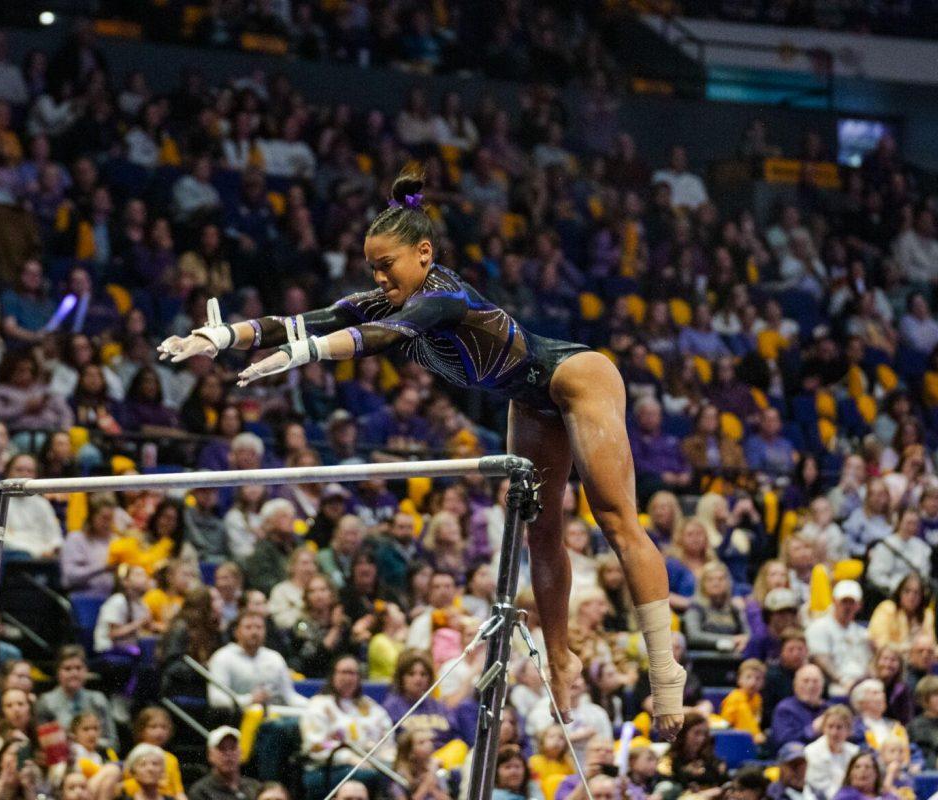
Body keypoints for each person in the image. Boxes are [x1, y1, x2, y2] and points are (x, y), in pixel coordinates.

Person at [158, 167, 688, 736]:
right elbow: (314, 318)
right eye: (373, 269)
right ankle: (561, 657)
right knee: (539, 528)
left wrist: (307, 354)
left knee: (612, 517)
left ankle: (665, 670)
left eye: (387, 266)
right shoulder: (395, 296)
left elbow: (386, 336)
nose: (379, 278)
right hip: (528, 401)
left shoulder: (443, 294)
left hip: (574, 375)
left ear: (424, 253)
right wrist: (223, 337)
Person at [300, 655, 393, 798]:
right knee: (372, 776)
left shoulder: (369, 705)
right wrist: (351, 759)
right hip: (329, 767)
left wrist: (382, 758)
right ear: (333, 675)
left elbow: (387, 736)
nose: (348, 678)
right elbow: (316, 745)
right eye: (344, 672)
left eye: (353, 673)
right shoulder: (318, 705)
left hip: (372, 763)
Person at [206, 611, 306, 709]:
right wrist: (250, 699)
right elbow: (217, 700)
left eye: (259, 627)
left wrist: (314, 705)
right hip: (238, 718)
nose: (254, 632)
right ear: (236, 632)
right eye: (248, 627)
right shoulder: (223, 657)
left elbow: (290, 696)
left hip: (276, 716)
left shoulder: (274, 657)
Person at [36, 645, 119, 750]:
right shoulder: (46, 702)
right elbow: (44, 745)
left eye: (78, 668)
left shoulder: (98, 699)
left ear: (86, 670)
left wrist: (87, 741)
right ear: (58, 672)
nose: (74, 673)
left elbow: (113, 743)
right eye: (67, 669)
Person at [805, 580, 873, 696]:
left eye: (852, 602)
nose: (847, 607)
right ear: (834, 601)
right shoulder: (818, 627)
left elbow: (869, 663)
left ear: (859, 605)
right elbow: (820, 659)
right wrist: (843, 681)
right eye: (844, 602)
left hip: (861, 684)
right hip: (834, 684)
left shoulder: (863, 633)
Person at [187, 726, 261, 800]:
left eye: (233, 748)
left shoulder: (254, 786)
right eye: (222, 748)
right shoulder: (201, 791)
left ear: (241, 752)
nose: (228, 753)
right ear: (210, 755)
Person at [806, 705, 861, 799]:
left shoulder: (854, 752)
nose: (834, 732)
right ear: (823, 728)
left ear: (848, 730)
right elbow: (822, 789)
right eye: (830, 726)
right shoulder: (811, 752)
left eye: (839, 727)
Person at [771, 664, 829, 750]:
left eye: (815, 681)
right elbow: (783, 741)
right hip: (797, 758)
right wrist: (812, 729)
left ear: (822, 686)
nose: (811, 686)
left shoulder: (829, 710)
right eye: (805, 681)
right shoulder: (785, 709)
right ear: (795, 685)